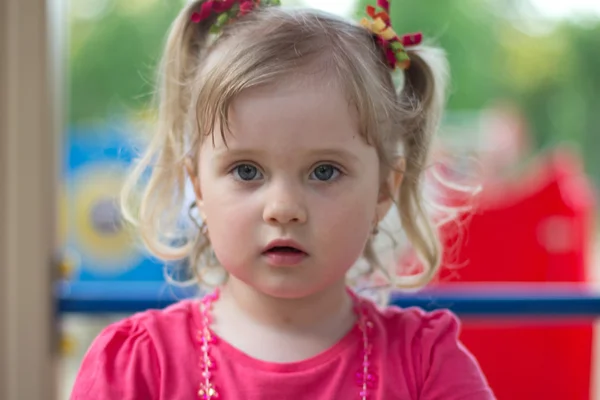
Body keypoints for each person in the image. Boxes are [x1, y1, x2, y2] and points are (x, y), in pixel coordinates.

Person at [71, 0, 494, 398]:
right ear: (198, 185)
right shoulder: (136, 367)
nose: (284, 208)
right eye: (246, 171)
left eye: (324, 171)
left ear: (385, 189)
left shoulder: (427, 364)